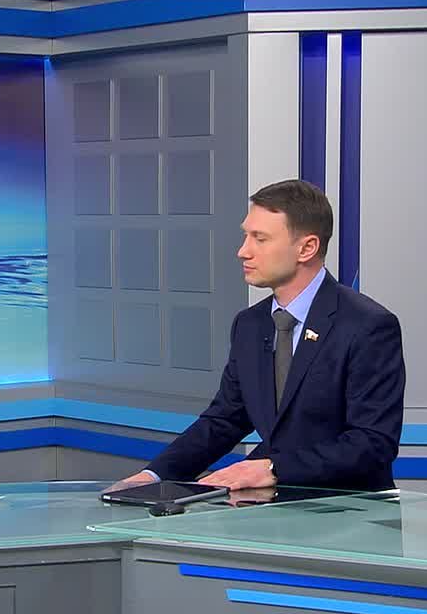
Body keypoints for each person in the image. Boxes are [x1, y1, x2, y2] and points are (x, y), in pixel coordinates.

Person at [116, 179, 405, 492]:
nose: (243, 252)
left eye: (260, 239)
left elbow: (372, 443)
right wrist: (153, 476)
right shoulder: (250, 325)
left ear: (307, 248)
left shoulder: (367, 326)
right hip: (269, 507)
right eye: (246, 236)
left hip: (348, 509)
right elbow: (225, 419)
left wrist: (273, 468)